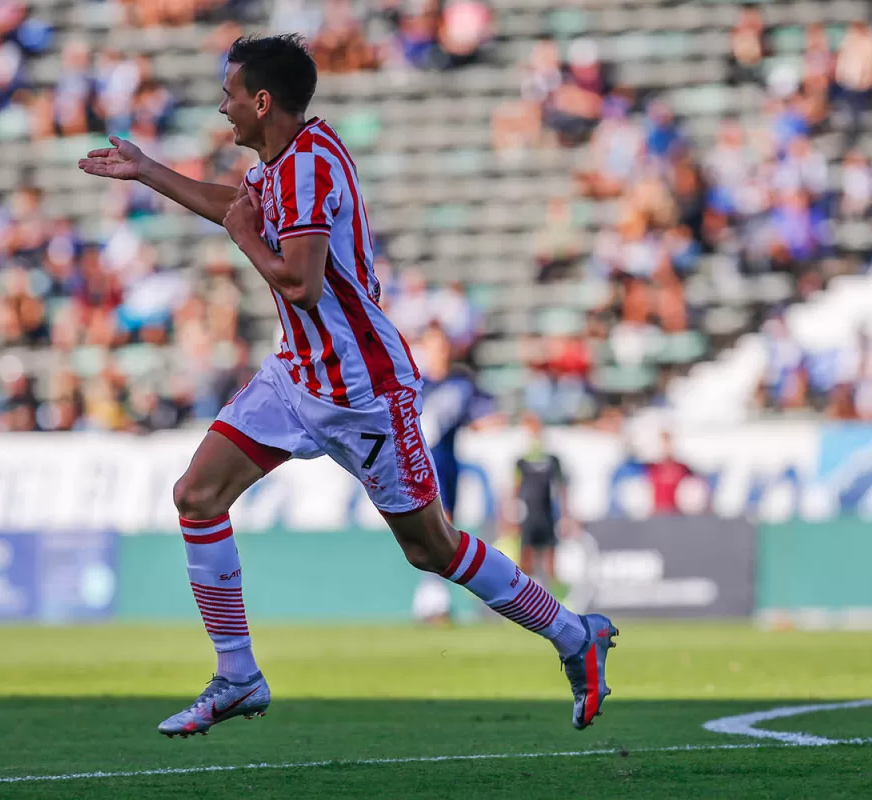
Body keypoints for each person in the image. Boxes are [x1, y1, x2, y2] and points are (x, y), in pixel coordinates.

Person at [78, 34, 617, 738]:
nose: (222, 107)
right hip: (295, 375)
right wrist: (151, 173)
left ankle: (575, 634)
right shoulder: (281, 159)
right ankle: (238, 675)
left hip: (361, 389)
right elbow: (236, 208)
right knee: (197, 494)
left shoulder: (308, 169)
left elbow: (299, 283)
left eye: (231, 95)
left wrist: (243, 237)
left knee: (432, 549)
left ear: (262, 101)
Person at [411, 323, 501, 624]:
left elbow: (478, 416)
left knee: (446, 530)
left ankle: (434, 599)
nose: (439, 351)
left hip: (449, 463)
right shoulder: (414, 382)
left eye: (442, 345)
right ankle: (432, 599)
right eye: (433, 345)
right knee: (437, 528)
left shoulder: (460, 384)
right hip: (421, 464)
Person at [508, 414, 575, 592]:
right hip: (528, 517)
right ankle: (523, 601)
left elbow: (561, 489)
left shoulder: (553, 460)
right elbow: (513, 490)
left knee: (551, 563)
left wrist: (566, 516)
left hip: (547, 516)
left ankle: (558, 604)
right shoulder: (521, 461)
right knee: (525, 563)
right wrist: (510, 516)